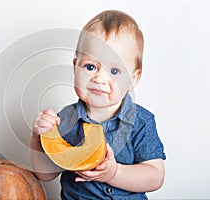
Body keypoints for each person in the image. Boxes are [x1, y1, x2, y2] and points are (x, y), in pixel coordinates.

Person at [30, 10, 166, 199]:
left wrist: (114, 173)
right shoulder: (65, 119)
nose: (99, 78)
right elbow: (46, 174)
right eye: (90, 67)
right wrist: (38, 139)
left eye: (115, 71)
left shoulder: (141, 122)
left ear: (132, 79)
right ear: (75, 66)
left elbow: (155, 176)